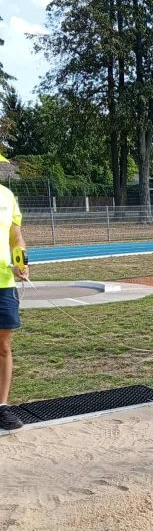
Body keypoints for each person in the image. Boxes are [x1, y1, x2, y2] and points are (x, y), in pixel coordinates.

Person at [0, 182, 28, 431]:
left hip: (4, 283)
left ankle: (2, 407)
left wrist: (21, 261)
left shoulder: (7, 196)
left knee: (3, 346)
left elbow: (15, 236)